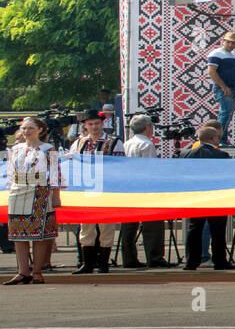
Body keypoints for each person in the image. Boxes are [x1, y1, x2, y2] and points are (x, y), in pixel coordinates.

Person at [5, 117, 63, 284]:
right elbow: (10, 173)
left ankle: (37, 271)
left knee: (39, 234)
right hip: (18, 190)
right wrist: (11, 190)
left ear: (40, 130)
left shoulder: (47, 149)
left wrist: (56, 195)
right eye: (24, 128)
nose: (26, 132)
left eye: (30, 128)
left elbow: (54, 174)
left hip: (39, 191)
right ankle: (23, 271)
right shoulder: (16, 149)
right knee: (18, 233)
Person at [69, 111, 124, 275]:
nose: (94, 127)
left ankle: (103, 263)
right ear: (85, 125)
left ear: (102, 124)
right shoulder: (79, 143)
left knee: (106, 227)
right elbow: (72, 165)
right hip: (85, 190)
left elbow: (120, 166)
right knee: (86, 227)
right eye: (90, 124)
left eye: (97, 123)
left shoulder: (114, 142)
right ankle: (87, 264)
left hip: (106, 190)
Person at [180, 125, 235, 271]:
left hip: (196, 196)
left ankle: (191, 261)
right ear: (213, 138)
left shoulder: (186, 154)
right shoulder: (221, 155)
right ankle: (220, 261)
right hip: (216, 197)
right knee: (217, 230)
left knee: (194, 229)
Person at [120, 115, 169, 269]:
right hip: (145, 188)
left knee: (128, 225)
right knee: (152, 224)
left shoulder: (126, 144)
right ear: (147, 127)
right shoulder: (147, 145)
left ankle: (128, 257)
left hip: (128, 188)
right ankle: (154, 257)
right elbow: (150, 169)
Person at [206, 31, 235, 144]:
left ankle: (222, 138)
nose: (231, 45)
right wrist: (224, 87)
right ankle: (220, 139)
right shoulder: (216, 54)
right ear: (223, 41)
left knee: (227, 113)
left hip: (232, 87)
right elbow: (211, 71)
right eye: (228, 42)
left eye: (233, 43)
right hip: (224, 88)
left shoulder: (233, 54)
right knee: (225, 113)